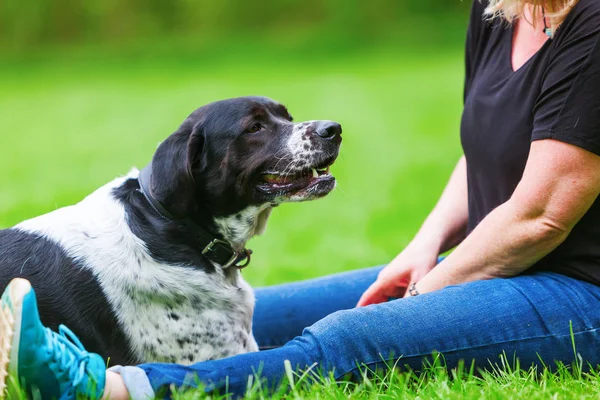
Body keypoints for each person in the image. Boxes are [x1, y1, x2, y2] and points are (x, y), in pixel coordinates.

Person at [3, 0, 600, 398]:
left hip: (579, 289)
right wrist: (424, 249)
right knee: (272, 311)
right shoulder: (501, 10)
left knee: (351, 339)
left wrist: (429, 293)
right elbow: (487, 148)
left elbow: (540, 216)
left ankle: (103, 388)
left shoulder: (591, 27)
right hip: (499, 263)